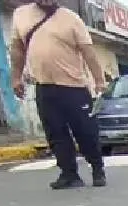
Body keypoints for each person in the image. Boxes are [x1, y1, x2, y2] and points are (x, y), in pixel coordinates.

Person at [9, 0, 108, 189]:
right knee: (55, 133)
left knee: (86, 131)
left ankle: (97, 169)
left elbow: (88, 52)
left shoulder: (72, 19)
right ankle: (69, 174)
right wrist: (16, 78)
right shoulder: (20, 15)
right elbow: (17, 50)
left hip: (75, 87)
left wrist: (99, 81)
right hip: (44, 86)